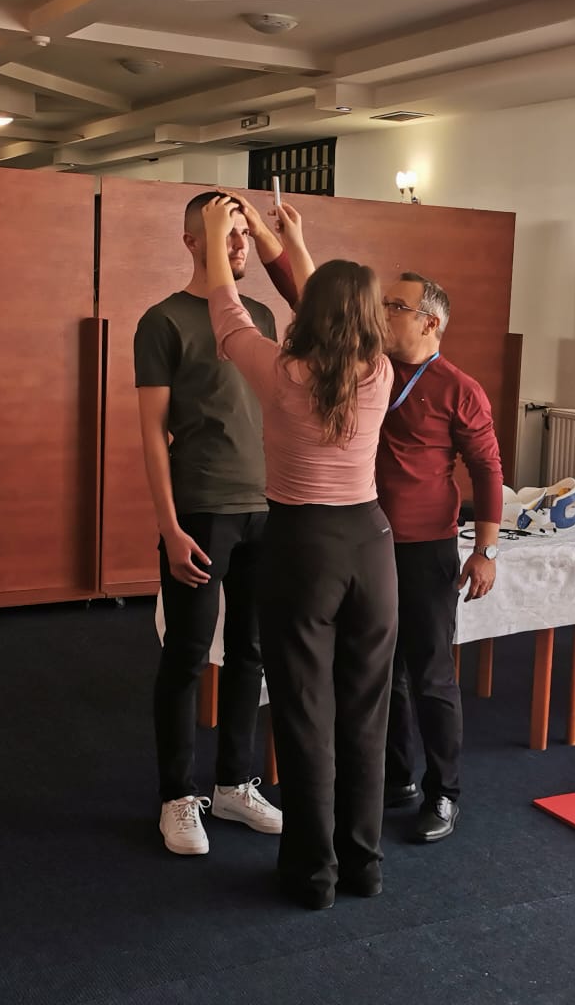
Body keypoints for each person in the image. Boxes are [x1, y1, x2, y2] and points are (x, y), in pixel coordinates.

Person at [204, 195, 396, 910]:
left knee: (305, 716)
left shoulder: (282, 373)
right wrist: (287, 244)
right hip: (371, 548)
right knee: (365, 715)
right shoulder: (378, 372)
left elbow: (227, 313)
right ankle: (364, 866)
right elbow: (327, 309)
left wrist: (218, 235)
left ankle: (313, 878)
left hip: (303, 549)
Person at [134, 191, 308, 856]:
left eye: (243, 233)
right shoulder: (162, 321)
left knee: (251, 653)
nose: (239, 245)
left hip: (265, 509)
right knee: (185, 655)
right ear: (193, 241)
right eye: (225, 232)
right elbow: (152, 435)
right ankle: (177, 797)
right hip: (201, 510)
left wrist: (270, 234)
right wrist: (169, 525)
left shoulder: (256, 315)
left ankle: (235, 783)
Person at [376, 272, 503, 843]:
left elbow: (487, 469)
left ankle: (444, 792)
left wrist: (485, 550)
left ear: (429, 322)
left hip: (426, 548)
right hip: (367, 544)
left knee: (429, 673)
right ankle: (396, 776)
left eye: (395, 306)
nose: (384, 313)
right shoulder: (370, 370)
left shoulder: (458, 388)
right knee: (380, 669)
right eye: (384, 303)